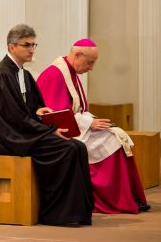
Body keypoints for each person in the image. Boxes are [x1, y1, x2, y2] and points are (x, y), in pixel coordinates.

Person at [0, 24, 94, 227]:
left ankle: (81, 212)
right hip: (10, 137)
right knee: (67, 149)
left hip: (24, 131)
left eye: (34, 45)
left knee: (79, 147)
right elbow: (12, 117)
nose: (32, 49)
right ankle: (57, 214)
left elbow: (30, 107)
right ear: (11, 47)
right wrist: (49, 130)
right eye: (27, 45)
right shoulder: (1, 74)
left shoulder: (23, 74)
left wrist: (38, 111)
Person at [36, 39, 149, 214]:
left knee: (117, 136)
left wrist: (93, 121)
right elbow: (55, 114)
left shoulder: (71, 73)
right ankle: (114, 201)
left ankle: (129, 198)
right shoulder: (54, 74)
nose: (91, 68)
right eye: (90, 62)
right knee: (112, 142)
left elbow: (79, 109)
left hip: (78, 127)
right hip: (62, 133)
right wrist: (89, 123)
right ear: (77, 55)